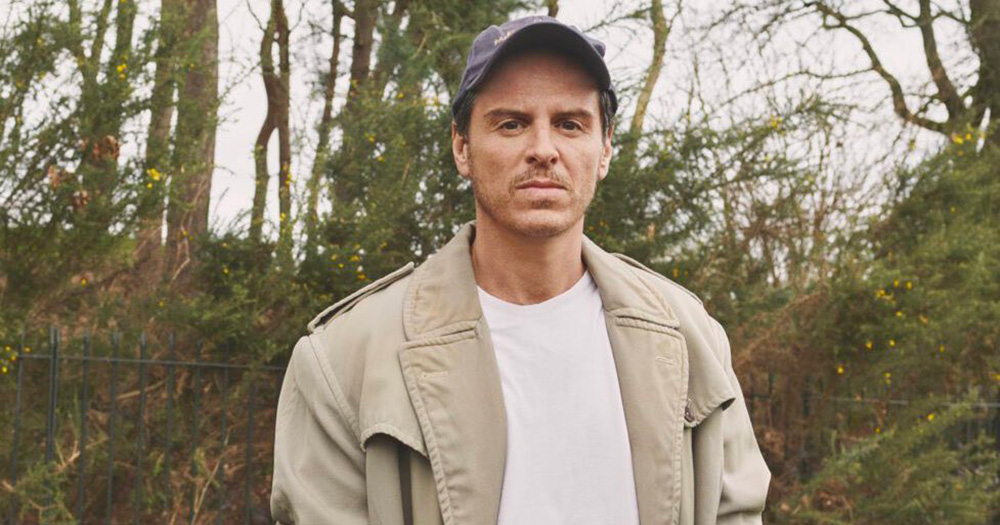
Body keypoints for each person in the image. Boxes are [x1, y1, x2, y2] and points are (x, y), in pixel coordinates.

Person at [270, 15, 770, 525]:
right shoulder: (342, 361)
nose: (544, 150)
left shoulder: (691, 339)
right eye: (511, 123)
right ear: (462, 147)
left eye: (570, 124)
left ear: (605, 150)